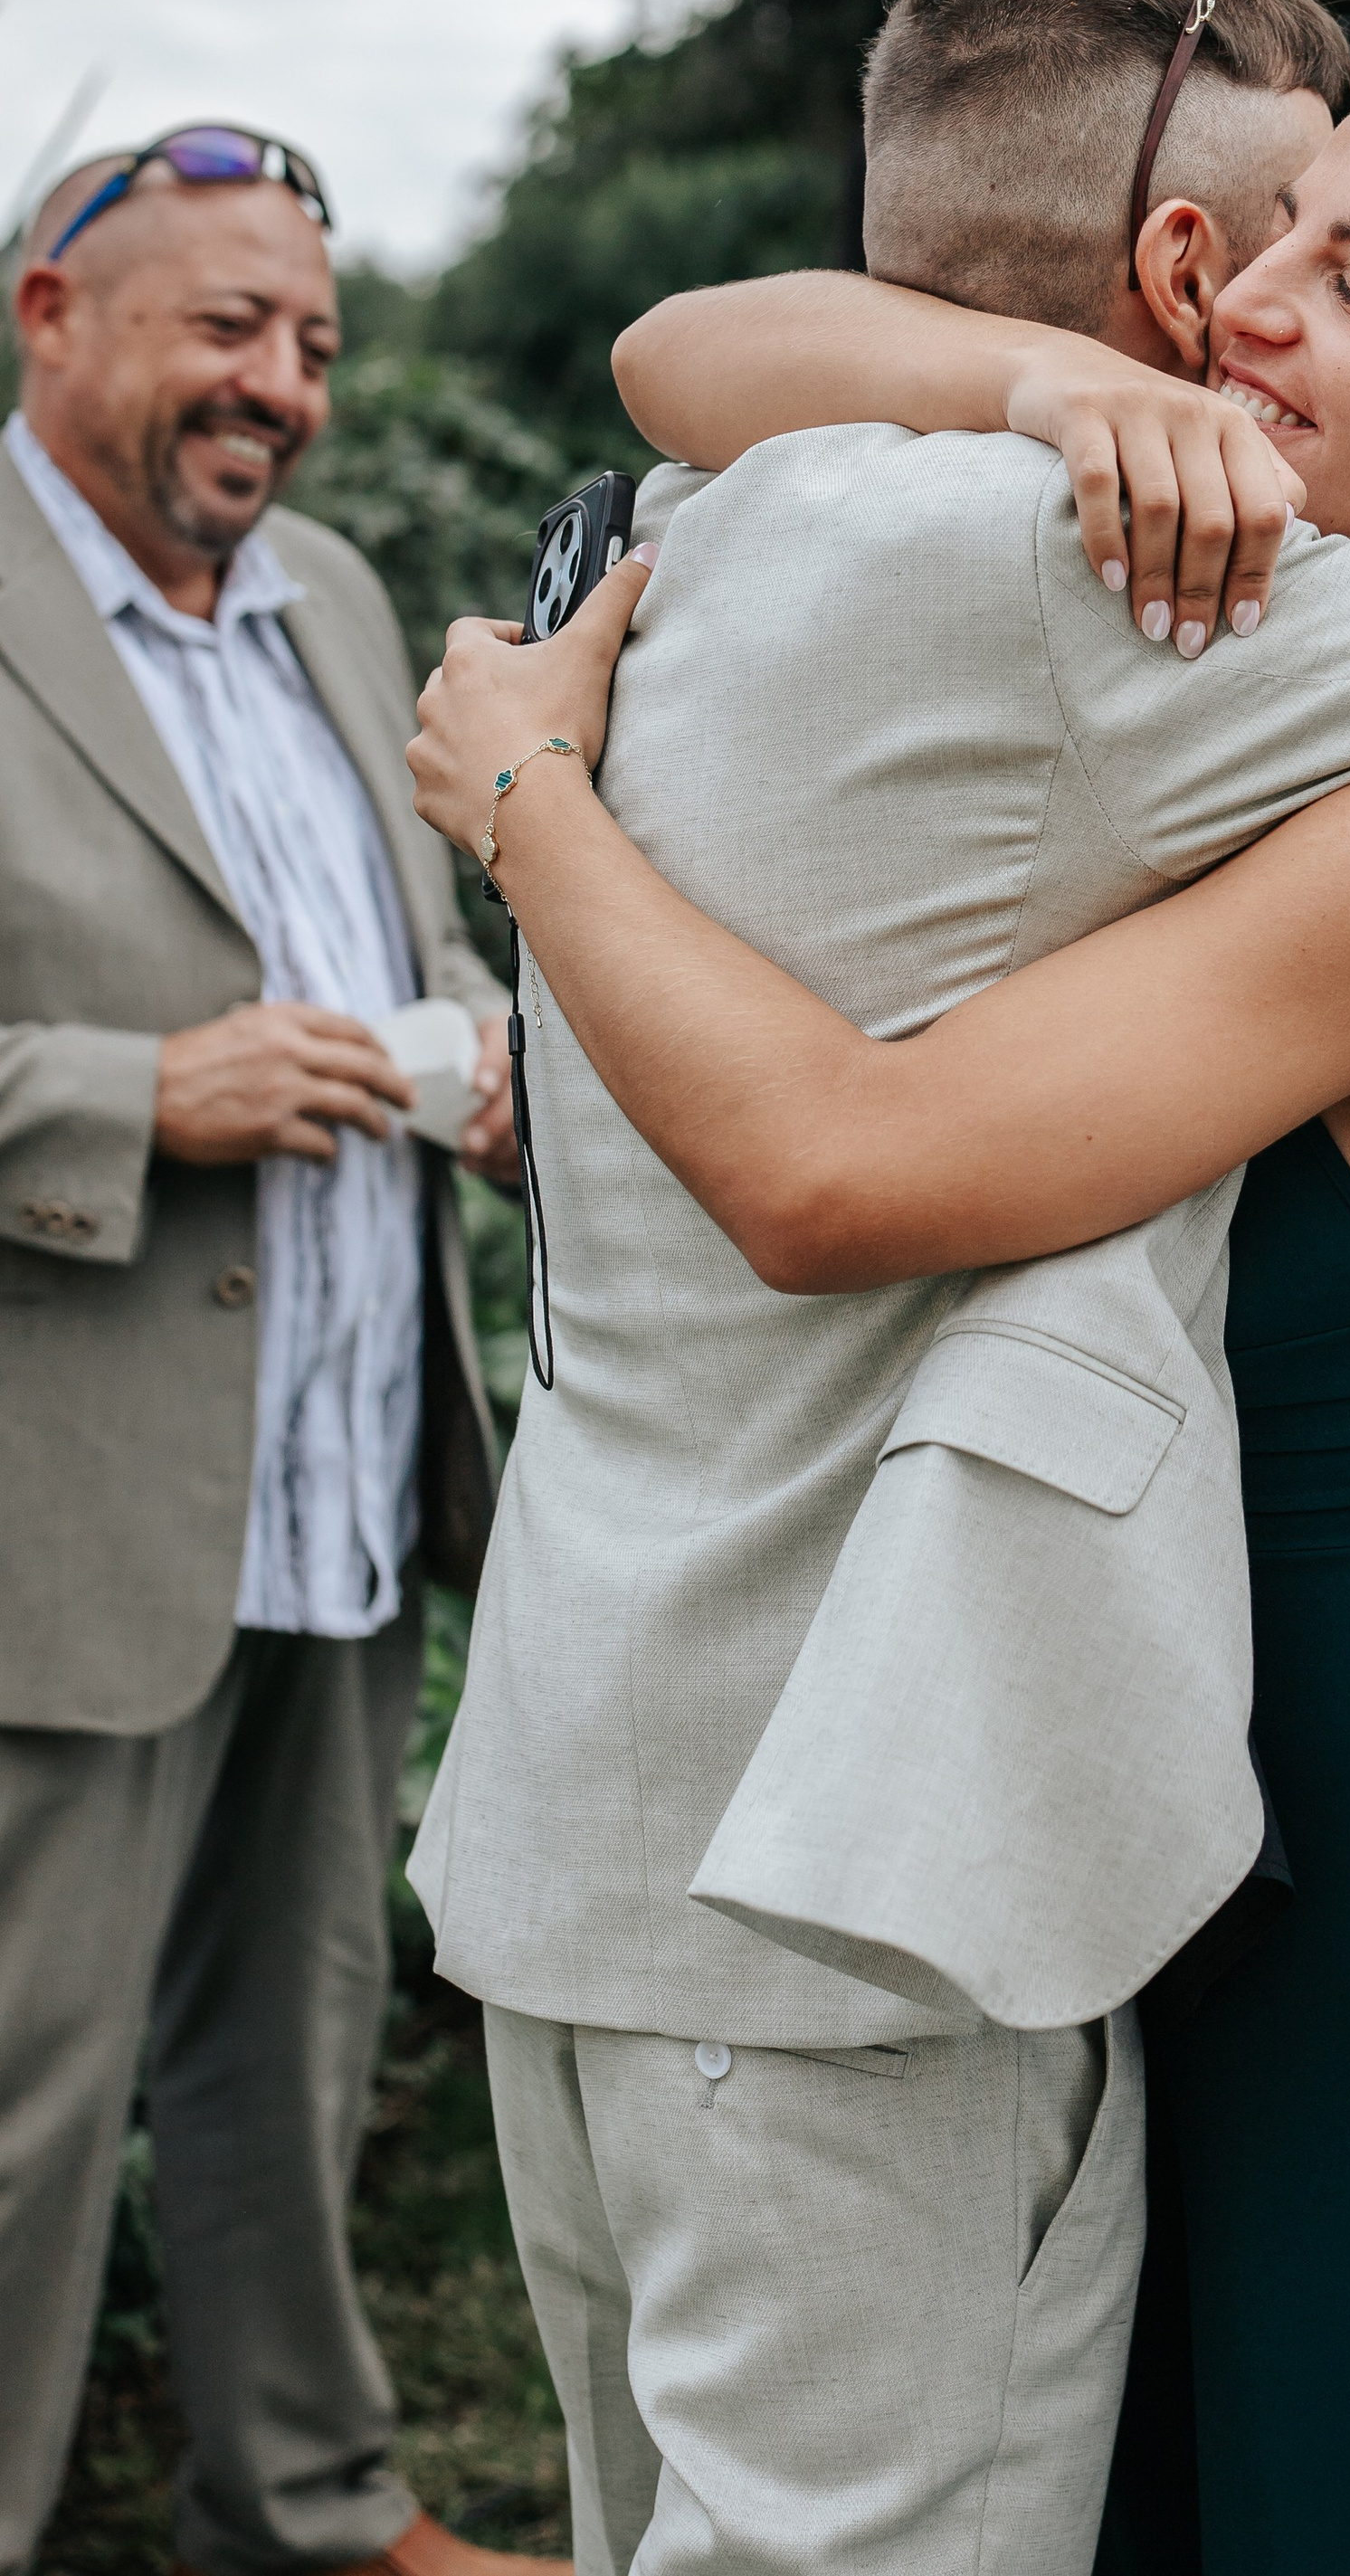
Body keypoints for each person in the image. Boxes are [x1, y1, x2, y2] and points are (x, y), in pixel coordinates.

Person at [405, 0, 1350, 2576]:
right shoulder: (1205, 680)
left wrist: (530, 799)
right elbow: (696, 350)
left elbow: (844, 1153)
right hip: (1146, 1796)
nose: (1244, 306)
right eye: (1271, 240)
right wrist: (1032, 376)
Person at [0, 133, 539, 2576]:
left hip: (334, 1466)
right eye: (227, 325)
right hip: (63, 1504)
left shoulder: (325, 590)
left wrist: (481, 1050)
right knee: (21, 2101)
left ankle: (304, 2510)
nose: (283, 386)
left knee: (287, 2050)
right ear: (51, 312)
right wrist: (134, 1092)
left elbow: (390, 943)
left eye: (312, 340)